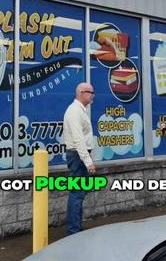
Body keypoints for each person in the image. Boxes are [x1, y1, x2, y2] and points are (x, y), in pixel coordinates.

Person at [63, 82, 96, 234]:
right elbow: (78, 139)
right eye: (91, 92)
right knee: (77, 194)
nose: (93, 95)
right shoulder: (74, 111)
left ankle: (76, 228)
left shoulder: (80, 110)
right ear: (82, 92)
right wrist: (88, 162)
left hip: (79, 156)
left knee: (79, 193)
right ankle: (73, 231)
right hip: (77, 156)